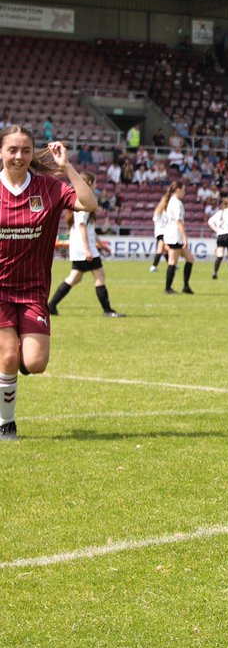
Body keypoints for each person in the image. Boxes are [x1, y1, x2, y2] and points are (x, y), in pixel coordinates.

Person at [0, 127, 97, 440]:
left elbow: (89, 203)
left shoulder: (49, 187)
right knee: (9, 357)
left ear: (32, 153)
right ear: (1, 153)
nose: (19, 156)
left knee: (36, 363)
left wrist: (66, 166)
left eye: (25, 150)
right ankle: (6, 424)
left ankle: (13, 355)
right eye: (12, 150)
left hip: (32, 291)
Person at [47, 172, 124, 318]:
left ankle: (51, 305)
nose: (95, 187)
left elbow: (89, 230)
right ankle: (107, 310)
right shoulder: (84, 202)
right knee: (100, 275)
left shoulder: (79, 200)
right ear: (88, 183)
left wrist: (101, 244)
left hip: (79, 248)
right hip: (84, 248)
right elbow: (82, 226)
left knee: (75, 277)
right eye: (94, 183)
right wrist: (88, 249)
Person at [158, 182, 196, 294]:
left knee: (190, 259)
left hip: (173, 235)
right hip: (175, 236)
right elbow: (179, 222)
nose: (184, 192)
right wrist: (185, 237)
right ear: (178, 190)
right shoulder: (177, 203)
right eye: (183, 190)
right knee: (172, 262)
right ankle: (168, 288)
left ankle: (186, 286)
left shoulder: (171, 202)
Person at [207, 197, 228, 279]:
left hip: (220, 236)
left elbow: (210, 221)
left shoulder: (219, 213)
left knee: (219, 255)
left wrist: (216, 230)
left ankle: (215, 272)